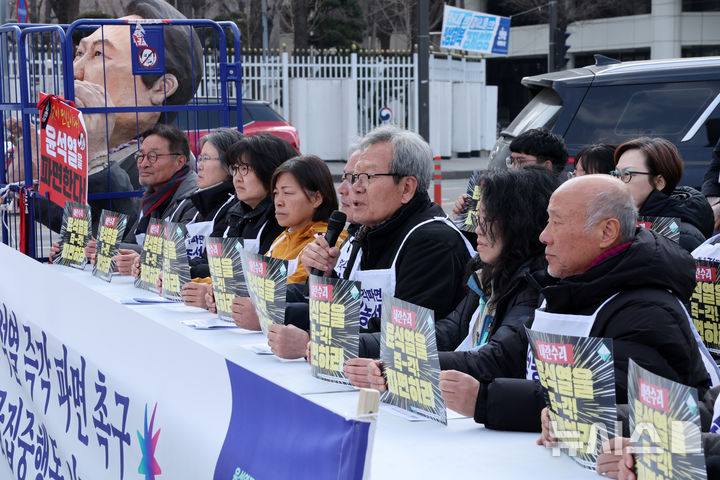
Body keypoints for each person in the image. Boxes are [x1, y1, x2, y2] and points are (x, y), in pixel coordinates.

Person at [365, 174, 711, 431]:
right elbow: (515, 360)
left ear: (607, 232)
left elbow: (614, 404)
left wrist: (486, 400)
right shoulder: (568, 286)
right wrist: (399, 360)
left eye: (557, 222)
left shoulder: (646, 309)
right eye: (546, 220)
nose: (544, 234)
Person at [344, 165, 557, 386]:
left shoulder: (534, 286)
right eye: (477, 217)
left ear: (519, 222)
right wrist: (348, 344)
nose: (478, 229)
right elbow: (446, 332)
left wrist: (402, 364)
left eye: (487, 219)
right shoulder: (489, 275)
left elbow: (495, 358)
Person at [303, 125, 474, 360]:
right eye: (353, 178)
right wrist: (324, 276)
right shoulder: (367, 232)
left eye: (367, 178)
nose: (355, 188)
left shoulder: (433, 242)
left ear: (407, 188)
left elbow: (405, 337)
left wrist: (317, 340)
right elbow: (347, 312)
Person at [225, 154, 346, 333]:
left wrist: (258, 307)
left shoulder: (325, 242)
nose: (278, 202)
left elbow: (298, 291)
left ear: (316, 198)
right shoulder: (282, 237)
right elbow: (257, 282)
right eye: (275, 194)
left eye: (287, 193)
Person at [183, 133, 297, 308]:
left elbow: (263, 280)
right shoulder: (235, 214)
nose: (237, 177)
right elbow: (213, 262)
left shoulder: (280, 220)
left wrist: (211, 289)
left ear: (269, 170)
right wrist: (183, 272)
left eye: (245, 169)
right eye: (234, 169)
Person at [110, 124, 197, 273]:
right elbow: (130, 244)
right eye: (141, 156)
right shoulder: (152, 197)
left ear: (180, 162)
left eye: (152, 157)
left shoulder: (194, 199)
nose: (143, 164)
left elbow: (177, 253)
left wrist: (110, 247)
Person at [613, 136, 713, 252]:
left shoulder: (681, 237)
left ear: (659, 182)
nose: (618, 182)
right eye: (616, 174)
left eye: (627, 174)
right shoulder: (616, 222)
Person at [452, 127, 569, 219]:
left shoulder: (561, 205)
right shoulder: (504, 195)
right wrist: (464, 219)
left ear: (546, 166)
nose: (513, 167)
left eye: (520, 161)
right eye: (511, 161)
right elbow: (475, 245)